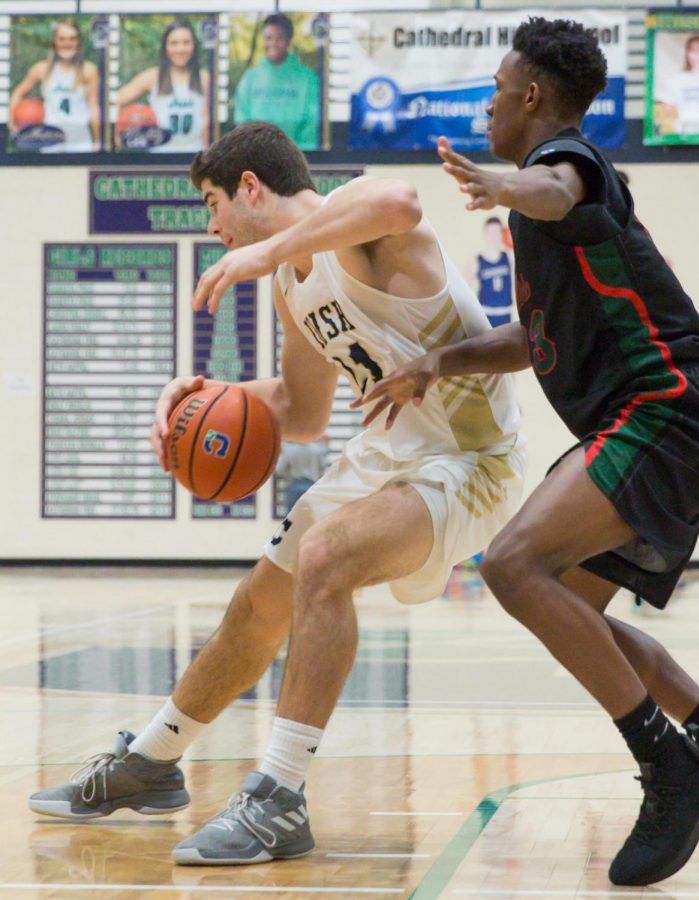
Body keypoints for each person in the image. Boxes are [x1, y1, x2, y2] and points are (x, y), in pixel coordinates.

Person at [355, 18, 699, 887]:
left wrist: (505, 183)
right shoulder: (550, 220)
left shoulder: (571, 166)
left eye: (497, 87)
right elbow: (536, 338)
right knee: (576, 609)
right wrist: (441, 361)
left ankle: (674, 769)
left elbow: (558, 188)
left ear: (532, 96)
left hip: (669, 411)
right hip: (666, 420)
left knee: (512, 564)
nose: (489, 100)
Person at [28, 121, 526, 867]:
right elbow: (302, 410)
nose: (213, 225)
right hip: (390, 450)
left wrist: (268, 248)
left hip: (472, 456)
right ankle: (154, 759)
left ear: (252, 188)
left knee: (326, 555)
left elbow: (401, 197)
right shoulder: (293, 287)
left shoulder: (355, 211)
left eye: (212, 204)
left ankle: (278, 799)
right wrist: (204, 396)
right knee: (258, 599)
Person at [117, 19, 209, 153]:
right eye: (174, 43)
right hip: (160, 157)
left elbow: (207, 123)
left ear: (194, 46)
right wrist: (118, 136)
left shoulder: (204, 78)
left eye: (186, 43)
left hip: (195, 154)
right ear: (165, 47)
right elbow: (115, 101)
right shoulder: (153, 76)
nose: (180, 49)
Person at [9, 19, 100, 152]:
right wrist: (12, 122)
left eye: (72, 39)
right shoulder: (41, 69)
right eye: (61, 39)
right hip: (50, 139)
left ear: (78, 42)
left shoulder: (89, 70)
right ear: (54, 43)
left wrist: (98, 141)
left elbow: (93, 107)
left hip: (80, 139)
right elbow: (18, 92)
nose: (67, 44)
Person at [234, 14, 321, 151]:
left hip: (298, 158)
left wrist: (295, 156)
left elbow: (311, 124)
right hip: (256, 157)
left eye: (279, 38)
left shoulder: (308, 78)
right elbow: (242, 121)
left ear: (288, 40)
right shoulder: (250, 78)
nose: (273, 43)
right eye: (268, 38)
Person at [467, 216, 514, 327]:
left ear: (501, 234)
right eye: (490, 232)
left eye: (497, 232)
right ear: (485, 234)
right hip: (485, 314)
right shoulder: (477, 261)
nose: (493, 236)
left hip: (505, 313)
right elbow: (464, 288)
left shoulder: (509, 256)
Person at [277, 437, 329, 512]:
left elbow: (280, 470)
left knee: (290, 519)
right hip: (311, 487)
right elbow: (322, 469)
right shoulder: (316, 450)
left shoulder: (289, 450)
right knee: (311, 516)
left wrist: (287, 476)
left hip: (293, 486)